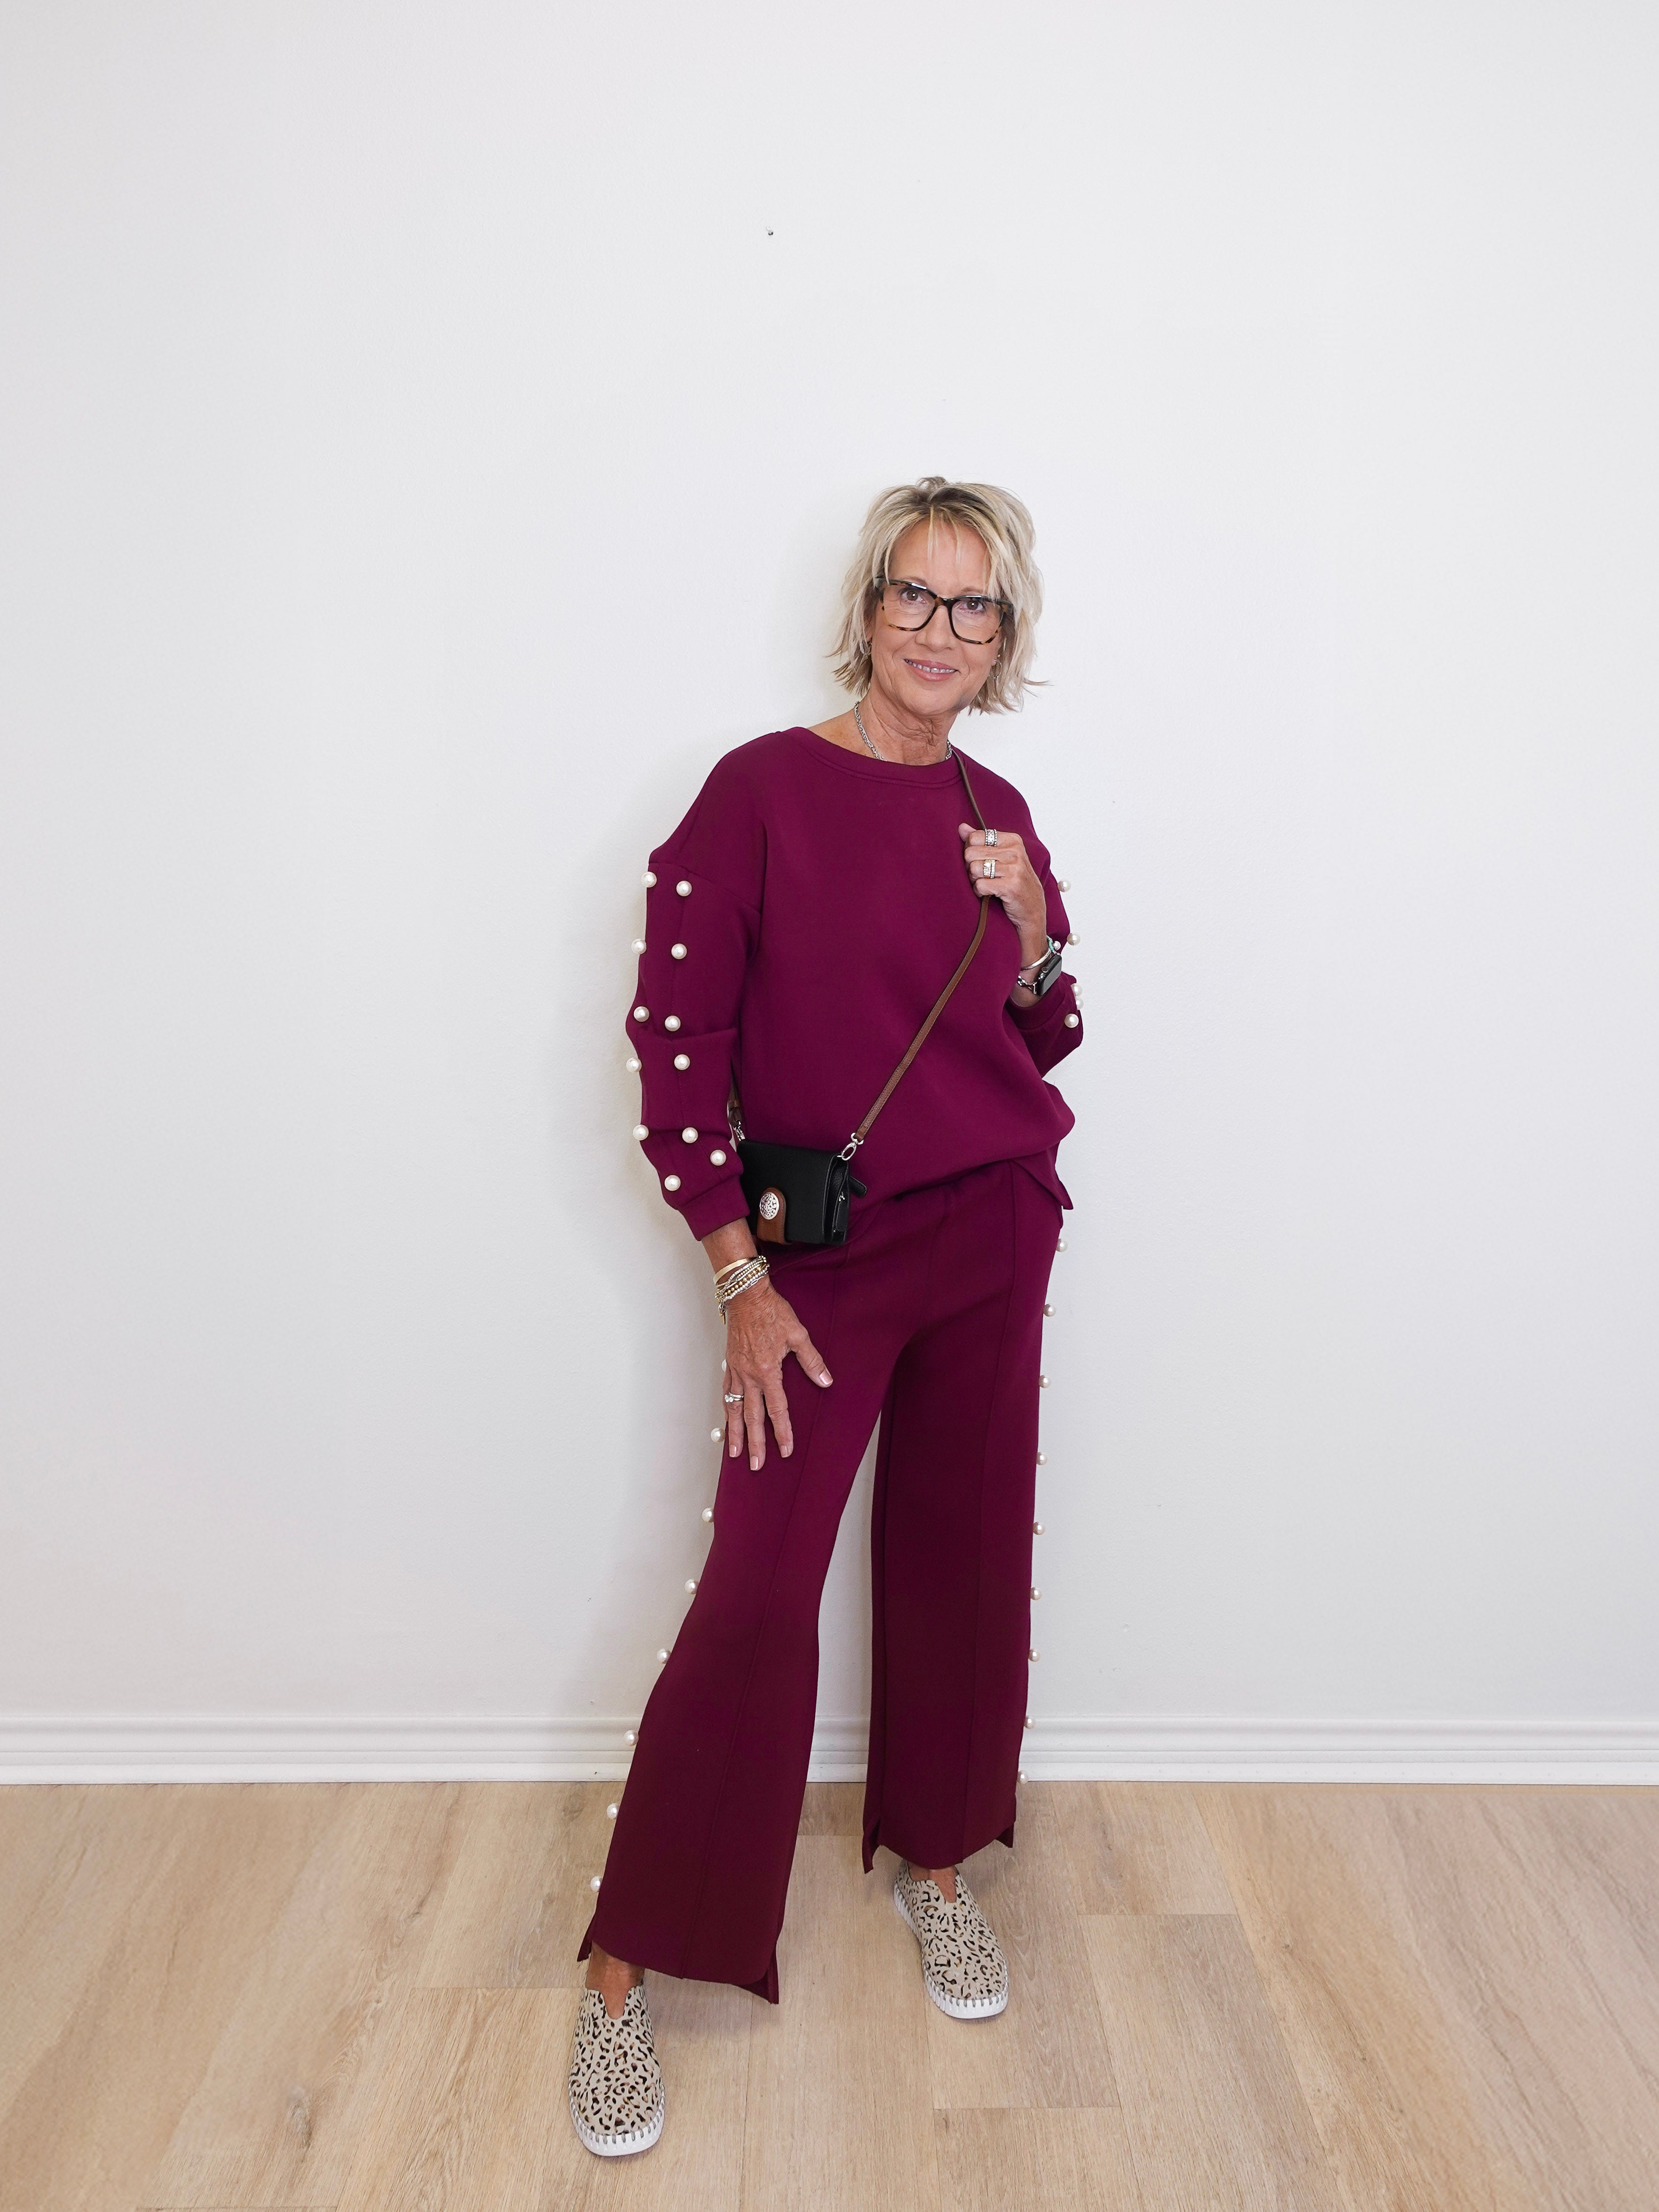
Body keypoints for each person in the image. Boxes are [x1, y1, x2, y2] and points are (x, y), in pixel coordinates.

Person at [568, 477, 1083, 2157]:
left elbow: (1045, 1030)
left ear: (1006, 637)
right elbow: (674, 1044)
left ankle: (936, 1866)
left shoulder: (999, 807)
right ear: (866, 609)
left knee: (963, 1555)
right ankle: (625, 1972)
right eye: (916, 599)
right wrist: (736, 1275)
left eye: (976, 607)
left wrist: (1027, 932)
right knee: (757, 1590)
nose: (943, 632)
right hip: (818, 1267)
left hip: (992, 1232)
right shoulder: (760, 792)